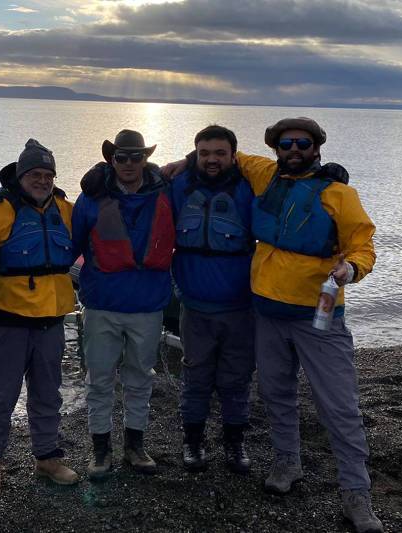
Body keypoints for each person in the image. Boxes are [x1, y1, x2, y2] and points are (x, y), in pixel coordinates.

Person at [235, 117, 383, 533]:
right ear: (276, 148)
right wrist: (175, 165)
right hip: (266, 314)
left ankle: (357, 494)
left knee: (339, 406)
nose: (294, 149)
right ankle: (287, 463)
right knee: (275, 393)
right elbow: (228, 154)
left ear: (316, 147)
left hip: (318, 320)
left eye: (302, 143)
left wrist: (351, 270)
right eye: (286, 144)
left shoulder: (340, 194)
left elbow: (363, 245)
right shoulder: (264, 173)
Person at [0, 139, 79, 496]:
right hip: (8, 321)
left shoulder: (66, 209)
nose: (42, 180)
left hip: (51, 320)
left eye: (48, 174)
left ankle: (47, 458)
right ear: (20, 176)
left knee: (48, 394)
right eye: (35, 174)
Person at [71, 129, 174, 480]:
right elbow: (71, 244)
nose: (129, 164)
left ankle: (135, 446)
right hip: (102, 304)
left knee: (140, 379)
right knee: (99, 379)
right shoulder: (90, 198)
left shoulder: (167, 191)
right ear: (110, 159)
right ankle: (101, 451)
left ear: (146, 158)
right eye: (121, 157)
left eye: (136, 157)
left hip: (147, 306)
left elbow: (210, 175)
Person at [169, 125, 255, 474]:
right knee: (196, 376)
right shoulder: (179, 185)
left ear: (234, 155)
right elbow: (132, 184)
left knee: (236, 379)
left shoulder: (250, 188)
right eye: (204, 153)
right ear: (196, 155)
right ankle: (193, 441)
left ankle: (235, 443)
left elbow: (291, 184)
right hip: (195, 307)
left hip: (240, 308)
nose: (212, 160)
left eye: (220, 153)